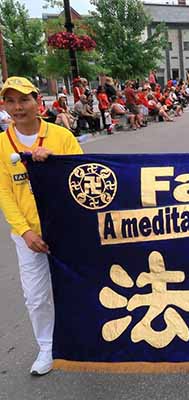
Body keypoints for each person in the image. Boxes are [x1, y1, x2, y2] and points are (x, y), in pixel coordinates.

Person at [0, 77, 83, 376]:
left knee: (76, 285)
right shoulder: (0, 144)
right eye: (10, 101)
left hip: (65, 228)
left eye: (23, 100)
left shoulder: (61, 137)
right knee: (35, 295)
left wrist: (55, 164)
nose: (18, 107)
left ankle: (81, 338)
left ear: (38, 102)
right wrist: (25, 232)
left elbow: (83, 178)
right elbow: (5, 193)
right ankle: (47, 346)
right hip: (29, 236)